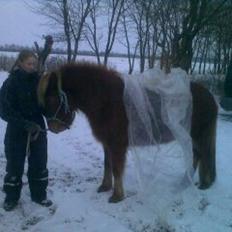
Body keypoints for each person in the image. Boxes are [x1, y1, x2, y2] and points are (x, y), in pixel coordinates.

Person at [0, 50, 52, 211]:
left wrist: (53, 116)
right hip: (17, 129)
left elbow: (44, 105)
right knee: (14, 165)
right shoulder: (11, 83)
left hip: (38, 128)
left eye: (34, 64)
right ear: (20, 63)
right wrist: (24, 124)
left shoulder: (39, 81)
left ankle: (39, 195)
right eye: (29, 64)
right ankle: (11, 197)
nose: (32, 67)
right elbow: (4, 110)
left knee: (39, 163)